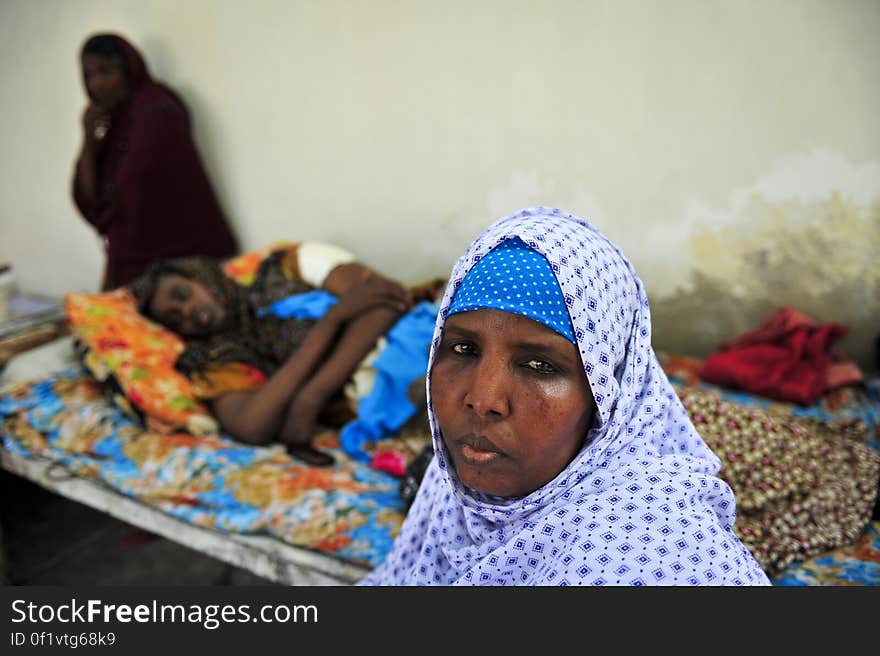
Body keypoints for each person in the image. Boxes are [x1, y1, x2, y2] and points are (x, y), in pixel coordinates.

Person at [360, 207, 771, 585]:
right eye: (463, 349)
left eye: (539, 365)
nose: (482, 400)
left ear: (606, 393)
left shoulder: (639, 560)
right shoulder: (453, 484)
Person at [130, 242, 441, 467]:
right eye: (175, 319)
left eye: (183, 295)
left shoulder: (286, 268)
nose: (189, 312)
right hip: (387, 408)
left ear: (200, 277)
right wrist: (333, 320)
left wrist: (310, 397)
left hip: (427, 345)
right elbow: (251, 426)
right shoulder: (217, 357)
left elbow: (388, 299)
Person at [72, 33, 238, 290]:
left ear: (128, 69)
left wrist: (114, 237)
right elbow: (90, 199)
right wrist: (89, 140)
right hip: (137, 266)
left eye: (105, 71)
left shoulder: (156, 109)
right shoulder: (114, 127)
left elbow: (130, 194)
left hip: (182, 263)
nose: (97, 84)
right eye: (89, 76)